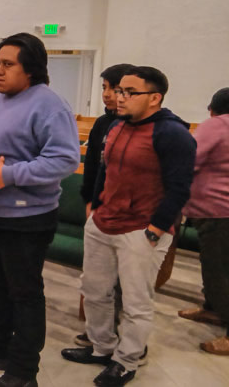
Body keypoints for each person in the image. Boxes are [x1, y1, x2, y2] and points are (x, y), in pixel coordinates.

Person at [0, 33, 80, 387]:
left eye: (8, 64)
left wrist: (10, 174)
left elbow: (65, 159)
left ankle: (24, 371)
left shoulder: (50, 105)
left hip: (27, 217)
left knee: (24, 294)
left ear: (31, 70)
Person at [61, 66, 196, 387]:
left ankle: (126, 361)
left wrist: (156, 229)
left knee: (136, 302)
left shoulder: (173, 133)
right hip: (104, 222)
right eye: (119, 90)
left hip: (141, 229)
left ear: (155, 98)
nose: (119, 97)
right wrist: (95, 207)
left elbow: (180, 188)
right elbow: (104, 170)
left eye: (129, 92)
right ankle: (102, 347)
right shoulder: (117, 125)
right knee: (94, 291)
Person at [73, 63, 136, 347]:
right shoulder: (102, 124)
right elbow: (92, 168)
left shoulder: (138, 126)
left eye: (116, 89)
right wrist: (89, 199)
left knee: (123, 282)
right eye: (105, 88)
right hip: (99, 209)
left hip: (127, 215)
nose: (108, 94)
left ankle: (125, 338)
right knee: (97, 280)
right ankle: (99, 334)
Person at [180, 87, 229, 355]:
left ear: (212, 108)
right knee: (216, 264)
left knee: (222, 271)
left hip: (217, 210)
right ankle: (213, 309)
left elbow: (189, 159)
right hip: (224, 209)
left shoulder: (217, 125)